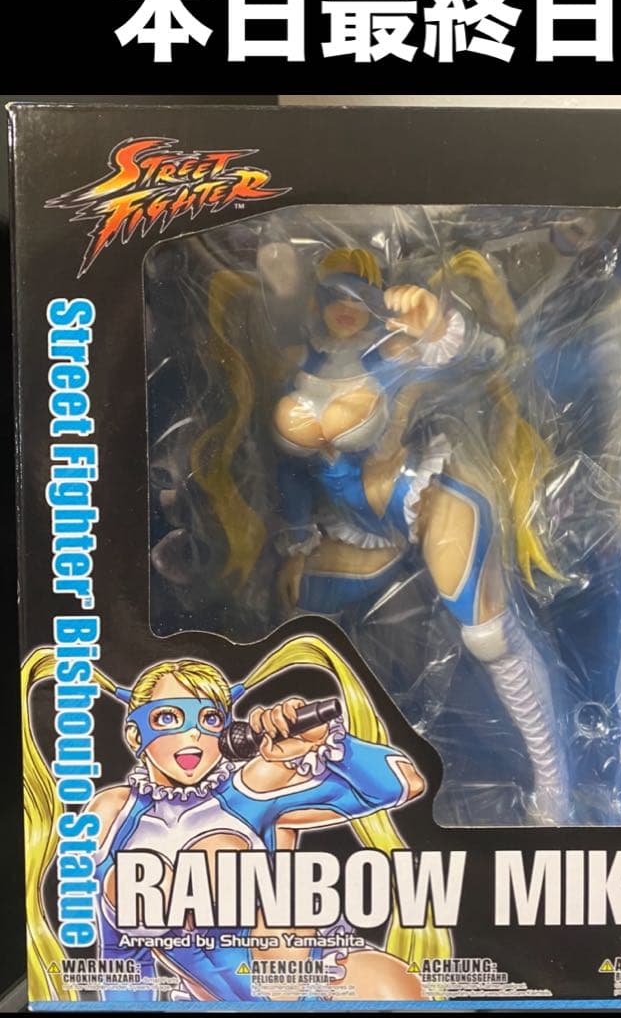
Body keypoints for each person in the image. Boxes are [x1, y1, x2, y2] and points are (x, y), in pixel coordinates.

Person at [194, 247, 570, 828]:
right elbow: (290, 470)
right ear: (318, 298)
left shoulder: (393, 350)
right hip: (355, 528)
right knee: (295, 620)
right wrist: (295, 542)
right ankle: (310, 777)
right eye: (336, 293)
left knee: (490, 635)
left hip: (424, 496)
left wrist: (439, 325)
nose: (348, 307)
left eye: (361, 294)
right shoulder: (294, 362)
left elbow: (480, 357)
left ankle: (555, 793)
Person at [22, 635, 449, 1004]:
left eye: (210, 719)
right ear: (135, 734)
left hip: (316, 981)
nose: (193, 734)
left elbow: (403, 783)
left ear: (228, 730)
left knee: (392, 986)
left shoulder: (254, 784)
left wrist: (325, 741)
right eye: (168, 718)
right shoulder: (111, 814)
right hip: (213, 1002)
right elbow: (122, 955)